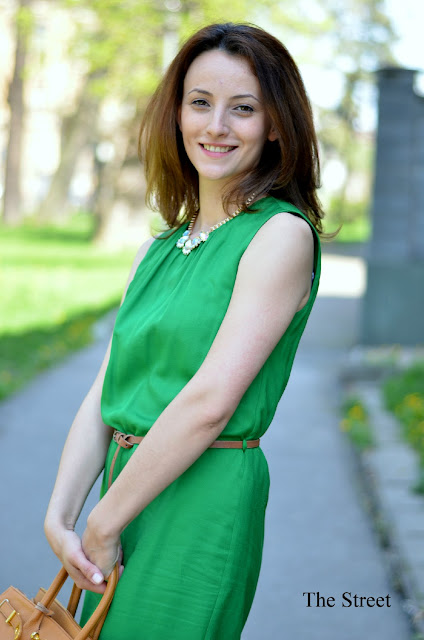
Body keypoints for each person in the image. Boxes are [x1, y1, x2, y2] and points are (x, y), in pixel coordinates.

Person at [44, 22, 327, 639]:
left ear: (275, 125)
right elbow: (105, 391)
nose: (216, 125)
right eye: (200, 102)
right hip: (124, 491)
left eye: (243, 108)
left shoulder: (280, 235)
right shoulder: (156, 250)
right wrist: (60, 515)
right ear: (177, 114)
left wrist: (103, 521)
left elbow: (209, 403)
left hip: (203, 494)